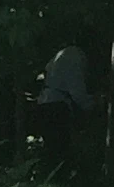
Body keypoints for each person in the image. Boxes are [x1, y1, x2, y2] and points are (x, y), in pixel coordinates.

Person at [31, 43, 98, 174]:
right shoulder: (75, 58)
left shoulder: (62, 56)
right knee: (60, 152)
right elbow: (78, 93)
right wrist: (93, 104)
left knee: (51, 151)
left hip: (44, 103)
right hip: (56, 108)